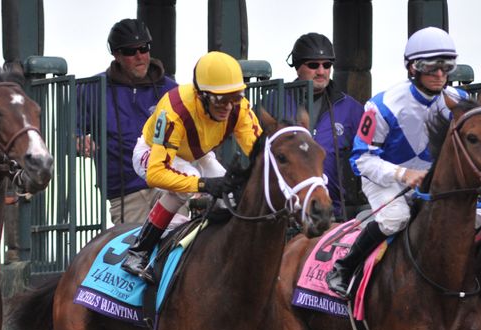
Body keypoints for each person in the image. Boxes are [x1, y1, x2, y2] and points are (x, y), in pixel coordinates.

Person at [326, 26, 465, 296]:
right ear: (413, 68)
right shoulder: (381, 105)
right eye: (431, 67)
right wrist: (403, 174)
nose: (440, 75)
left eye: (446, 66)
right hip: (384, 179)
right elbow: (360, 161)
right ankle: (344, 267)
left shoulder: (459, 103)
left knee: (475, 219)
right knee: (395, 218)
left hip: (431, 182)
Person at [120, 50, 262, 282]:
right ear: (201, 95)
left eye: (235, 96)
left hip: (197, 153)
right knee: (189, 180)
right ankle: (139, 252)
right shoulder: (173, 109)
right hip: (153, 154)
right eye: (219, 99)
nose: (228, 106)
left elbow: (260, 152)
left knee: (227, 185)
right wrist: (203, 184)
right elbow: (156, 174)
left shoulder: (240, 107)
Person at [82, 18, 178, 224]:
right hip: (126, 194)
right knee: (133, 253)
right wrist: (78, 140)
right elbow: (69, 129)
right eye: (129, 51)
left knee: (177, 249)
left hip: (170, 184)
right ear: (116, 54)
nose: (139, 56)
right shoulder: (93, 88)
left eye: (144, 48)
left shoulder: (171, 90)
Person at [286, 32, 364, 221]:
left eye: (327, 65)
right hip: (284, 218)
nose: (321, 71)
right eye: (313, 65)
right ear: (298, 68)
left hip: (336, 217)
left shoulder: (352, 109)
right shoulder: (275, 100)